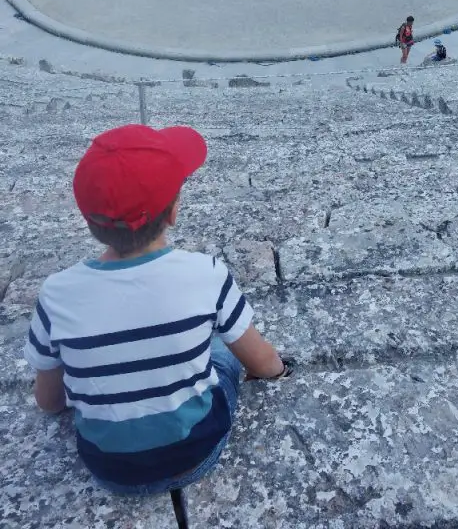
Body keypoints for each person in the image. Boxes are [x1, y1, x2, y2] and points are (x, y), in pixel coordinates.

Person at [24, 124, 288, 496]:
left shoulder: (56, 295)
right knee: (217, 348)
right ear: (173, 212)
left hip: (109, 470)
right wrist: (281, 372)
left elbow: (49, 403)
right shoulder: (205, 273)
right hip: (198, 453)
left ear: (87, 219)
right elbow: (262, 364)